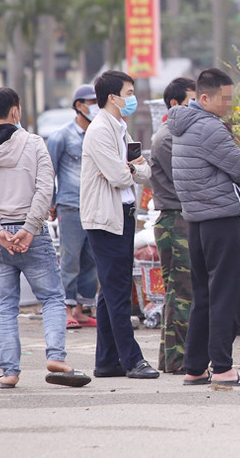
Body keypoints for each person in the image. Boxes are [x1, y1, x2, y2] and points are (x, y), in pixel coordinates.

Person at [0, 87, 91, 389]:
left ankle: (9, 372)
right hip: (33, 236)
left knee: (6, 307)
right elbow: (45, 190)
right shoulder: (34, 144)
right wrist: (29, 228)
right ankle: (56, 356)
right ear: (15, 111)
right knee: (53, 298)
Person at [168, 68, 240, 386]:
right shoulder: (209, 127)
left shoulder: (182, 126)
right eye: (225, 99)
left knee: (204, 295)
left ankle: (195, 367)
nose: (229, 104)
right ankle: (223, 368)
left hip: (197, 222)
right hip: (221, 220)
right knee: (226, 295)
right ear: (204, 98)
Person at [80, 70, 158, 379]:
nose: (132, 98)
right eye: (129, 93)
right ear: (112, 98)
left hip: (122, 215)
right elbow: (120, 176)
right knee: (117, 292)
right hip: (105, 219)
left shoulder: (120, 128)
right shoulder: (100, 130)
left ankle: (107, 361)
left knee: (111, 290)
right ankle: (132, 360)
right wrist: (129, 169)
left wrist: (129, 169)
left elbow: (143, 172)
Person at [149, 77, 195, 374]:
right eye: (192, 102)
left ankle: (172, 360)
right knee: (181, 294)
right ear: (175, 104)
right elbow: (188, 181)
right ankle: (178, 360)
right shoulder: (167, 139)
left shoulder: (179, 135)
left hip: (182, 219)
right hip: (175, 220)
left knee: (179, 293)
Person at [47, 84, 99, 329]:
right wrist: (51, 202)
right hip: (70, 205)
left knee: (91, 260)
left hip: (95, 206)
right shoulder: (61, 136)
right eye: (93, 102)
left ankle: (81, 309)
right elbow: (49, 172)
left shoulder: (99, 135)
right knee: (70, 260)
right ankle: (65, 309)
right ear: (79, 105)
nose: (97, 107)